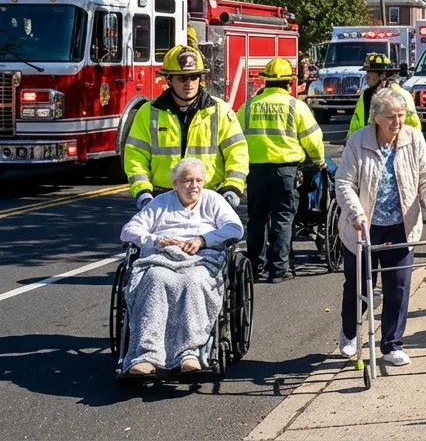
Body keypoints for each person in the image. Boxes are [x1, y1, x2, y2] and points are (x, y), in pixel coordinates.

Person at [334, 88, 426, 367]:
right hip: (363, 227)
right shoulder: (358, 141)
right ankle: (349, 333)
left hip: (401, 225)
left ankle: (392, 344)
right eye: (391, 116)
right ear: (375, 118)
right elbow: (344, 182)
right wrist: (356, 213)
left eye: (401, 115)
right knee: (358, 288)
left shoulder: (414, 139)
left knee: (398, 287)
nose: (397, 121)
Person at [118, 157, 245, 376]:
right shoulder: (161, 203)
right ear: (175, 183)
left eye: (198, 180)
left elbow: (235, 228)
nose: (193, 186)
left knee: (193, 281)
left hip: (201, 258)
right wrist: (156, 241)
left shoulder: (213, 201)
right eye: (187, 180)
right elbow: (129, 231)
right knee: (155, 279)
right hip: (163, 258)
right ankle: (146, 355)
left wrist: (203, 239)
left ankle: (190, 353)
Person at [125, 46, 248, 210]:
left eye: (194, 77)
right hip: (162, 201)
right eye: (182, 78)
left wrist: (232, 187)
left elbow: (237, 151)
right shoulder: (148, 112)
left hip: (208, 200)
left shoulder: (220, 110)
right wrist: (142, 192)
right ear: (169, 79)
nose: (189, 83)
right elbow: (135, 155)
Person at [238, 58, 325, 283]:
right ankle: (278, 270)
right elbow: (313, 139)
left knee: (256, 220)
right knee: (282, 219)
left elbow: (235, 138)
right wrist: (318, 161)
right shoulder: (296, 106)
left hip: (254, 172)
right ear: (288, 83)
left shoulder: (247, 106)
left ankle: (254, 267)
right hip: (285, 172)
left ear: (264, 81)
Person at [347, 52, 420, 138]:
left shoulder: (401, 96)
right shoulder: (365, 97)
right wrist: (350, 142)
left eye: (370, 73)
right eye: (367, 73)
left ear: (382, 76)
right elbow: (355, 126)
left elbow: (414, 127)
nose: (367, 77)